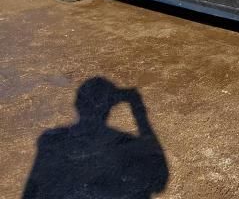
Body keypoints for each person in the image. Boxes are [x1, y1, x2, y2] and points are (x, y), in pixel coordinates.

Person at [22, 77, 168, 199]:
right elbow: (160, 180)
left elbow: (32, 189)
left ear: (78, 105)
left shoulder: (51, 140)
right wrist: (137, 108)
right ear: (109, 108)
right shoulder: (126, 144)